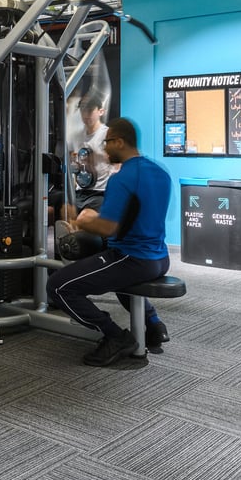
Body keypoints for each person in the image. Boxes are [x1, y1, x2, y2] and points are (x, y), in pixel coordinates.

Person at [47, 117, 173, 367]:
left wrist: (80, 220)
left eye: (107, 143)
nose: (105, 149)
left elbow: (107, 227)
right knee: (119, 281)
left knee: (58, 287)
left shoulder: (122, 178)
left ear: (119, 142)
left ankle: (115, 337)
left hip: (132, 259)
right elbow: (135, 218)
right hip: (160, 258)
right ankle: (154, 325)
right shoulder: (160, 172)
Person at [58, 94, 117, 231]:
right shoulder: (76, 136)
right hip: (80, 192)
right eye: (83, 110)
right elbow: (71, 161)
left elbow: (117, 162)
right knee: (62, 214)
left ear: (101, 111)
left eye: (90, 110)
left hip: (100, 192)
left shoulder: (107, 134)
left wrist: (97, 157)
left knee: (83, 218)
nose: (86, 114)